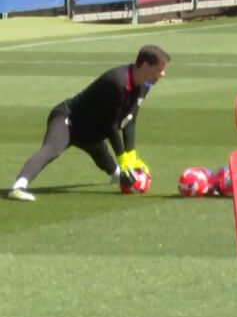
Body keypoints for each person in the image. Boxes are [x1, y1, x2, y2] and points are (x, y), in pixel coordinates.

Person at [6, 45, 171, 202]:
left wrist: (132, 158)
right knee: (52, 149)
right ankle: (18, 187)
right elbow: (111, 126)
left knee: (111, 166)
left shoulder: (145, 85)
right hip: (68, 120)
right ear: (144, 66)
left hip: (90, 131)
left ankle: (118, 175)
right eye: (159, 69)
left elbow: (130, 121)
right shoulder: (117, 82)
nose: (163, 74)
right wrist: (123, 159)